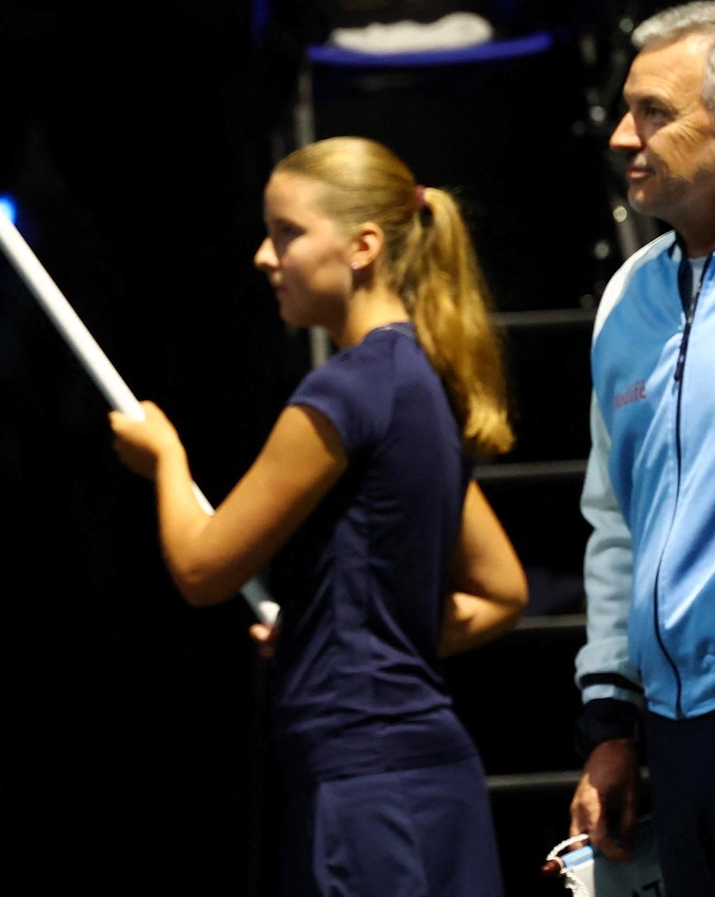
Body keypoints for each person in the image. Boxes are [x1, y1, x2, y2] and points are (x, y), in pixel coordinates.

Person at [109, 136, 528, 897]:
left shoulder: (345, 392)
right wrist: (334, 635)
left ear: (363, 245)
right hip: (431, 773)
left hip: (365, 781)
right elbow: (503, 592)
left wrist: (165, 458)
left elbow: (203, 570)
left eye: (287, 233)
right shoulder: (421, 381)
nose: (264, 257)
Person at [568, 1, 715, 896]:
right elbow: (614, 525)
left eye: (655, 115)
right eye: (624, 113)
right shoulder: (627, 296)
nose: (625, 139)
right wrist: (611, 725)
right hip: (671, 728)